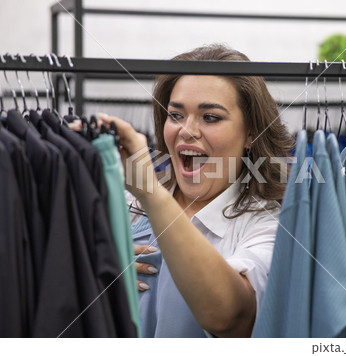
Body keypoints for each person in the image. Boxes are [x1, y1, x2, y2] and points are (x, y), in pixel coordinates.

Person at [100, 44, 294, 337]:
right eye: (175, 115)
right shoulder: (125, 204)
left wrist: (151, 193)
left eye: (211, 117)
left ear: (252, 133)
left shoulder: (268, 224)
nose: (187, 130)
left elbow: (231, 317)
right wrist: (96, 273)